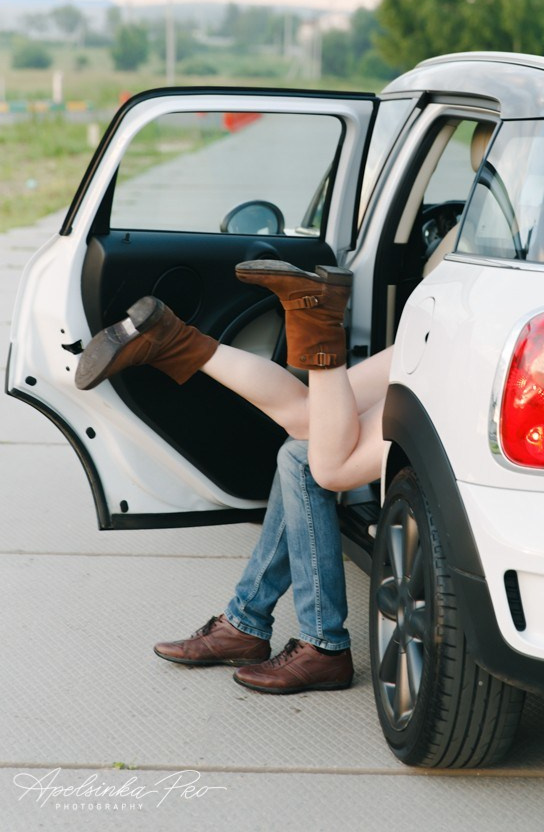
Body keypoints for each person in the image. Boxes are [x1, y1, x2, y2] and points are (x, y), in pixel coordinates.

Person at [75, 260, 392, 695]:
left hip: (447, 337)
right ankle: (254, 627)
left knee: (317, 459)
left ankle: (315, 644)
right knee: (309, 436)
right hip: (462, 347)